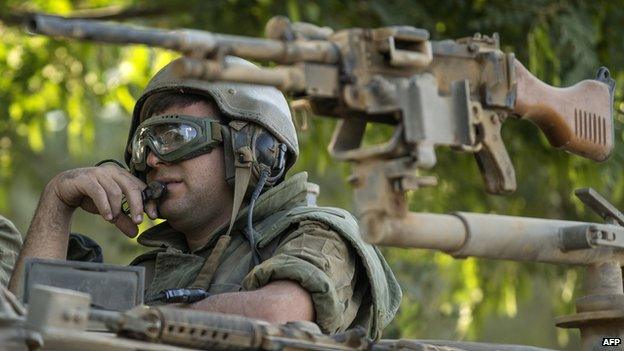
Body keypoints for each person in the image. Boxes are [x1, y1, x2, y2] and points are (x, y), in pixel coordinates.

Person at [7, 57, 401, 339]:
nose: (154, 158)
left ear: (254, 149)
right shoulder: (154, 269)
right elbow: (24, 328)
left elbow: (279, 314)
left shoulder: (319, 233)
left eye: (176, 136)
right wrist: (58, 203)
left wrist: (124, 319)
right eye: (144, 145)